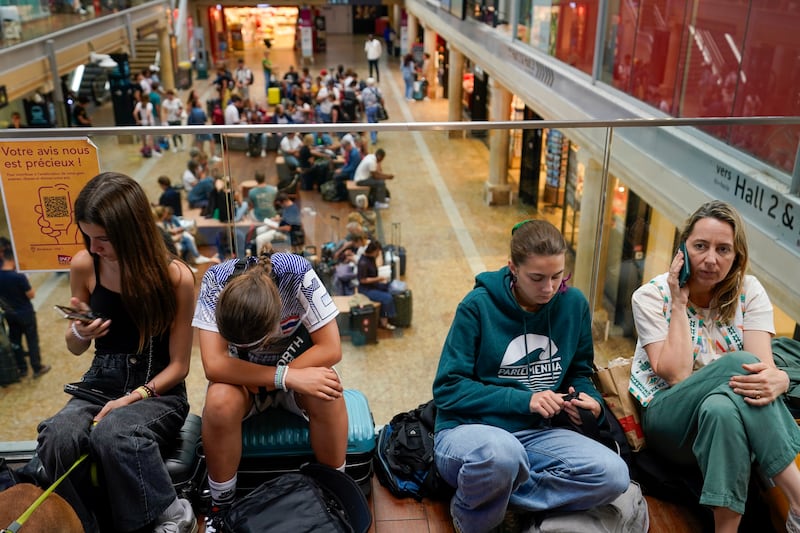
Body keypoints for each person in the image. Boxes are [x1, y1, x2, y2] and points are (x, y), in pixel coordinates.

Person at [432, 219, 629, 533]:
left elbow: (579, 372)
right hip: (468, 431)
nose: (549, 288)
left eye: (557, 276)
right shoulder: (477, 307)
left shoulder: (574, 305)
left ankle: (496, 493)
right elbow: (447, 389)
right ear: (512, 267)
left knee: (614, 476)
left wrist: (587, 401)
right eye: (537, 278)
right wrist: (526, 400)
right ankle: (472, 516)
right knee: (501, 455)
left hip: (536, 436)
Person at [35, 172, 196, 533]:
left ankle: (169, 513)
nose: (94, 248)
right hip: (100, 380)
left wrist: (131, 399)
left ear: (132, 232)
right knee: (58, 436)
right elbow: (76, 348)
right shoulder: (84, 265)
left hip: (157, 388)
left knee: (113, 432)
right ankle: (85, 522)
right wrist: (78, 331)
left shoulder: (176, 277)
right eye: (88, 237)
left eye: (103, 239)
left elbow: (180, 367)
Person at [629, 200, 800, 533]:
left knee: (721, 409)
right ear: (683, 249)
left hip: (719, 416)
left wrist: (778, 379)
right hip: (668, 418)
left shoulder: (749, 292)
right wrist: (679, 301)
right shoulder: (650, 297)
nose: (710, 259)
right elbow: (676, 375)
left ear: (737, 257)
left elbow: (762, 375)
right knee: (740, 363)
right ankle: (798, 498)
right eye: (700, 246)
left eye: (723, 249)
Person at [193, 250, 348, 532]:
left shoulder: (296, 272)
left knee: (328, 390)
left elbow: (331, 347)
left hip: (287, 370)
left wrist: (282, 377)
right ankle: (221, 507)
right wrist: (280, 377)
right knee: (218, 402)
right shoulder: (215, 280)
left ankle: (335, 492)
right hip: (247, 383)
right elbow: (214, 364)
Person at [0, 246, 50, 379]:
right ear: (13, 259)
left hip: (10, 315)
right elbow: (31, 294)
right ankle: (37, 368)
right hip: (26, 313)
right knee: (32, 341)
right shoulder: (18, 277)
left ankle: (22, 369)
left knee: (16, 341)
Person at [356, 241, 397, 331]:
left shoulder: (370, 258)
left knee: (391, 288)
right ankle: (384, 322)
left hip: (373, 285)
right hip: (366, 289)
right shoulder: (363, 263)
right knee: (387, 298)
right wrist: (378, 279)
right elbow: (363, 280)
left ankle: (388, 316)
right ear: (374, 251)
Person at [361, 78, 384, 145]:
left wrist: (362, 110)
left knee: (371, 123)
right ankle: (375, 134)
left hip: (368, 108)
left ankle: (373, 138)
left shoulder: (364, 91)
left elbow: (362, 101)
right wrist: (383, 107)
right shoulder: (377, 90)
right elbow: (382, 99)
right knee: (376, 121)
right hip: (376, 107)